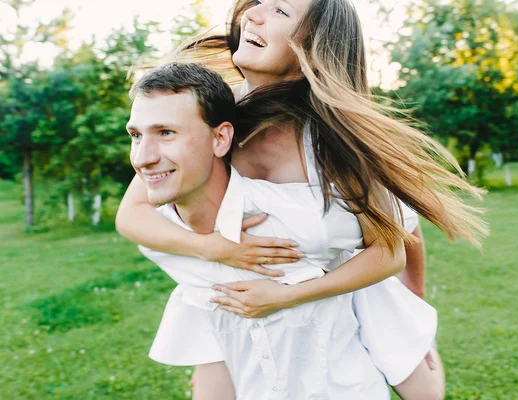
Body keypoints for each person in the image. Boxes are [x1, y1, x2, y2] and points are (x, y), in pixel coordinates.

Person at [118, 0, 487, 397]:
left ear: (314, 43)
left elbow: (398, 239)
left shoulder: (338, 138)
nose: (253, 15)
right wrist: (212, 249)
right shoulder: (209, 118)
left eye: (281, 11)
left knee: (425, 393)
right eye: (258, 4)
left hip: (338, 295)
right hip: (237, 309)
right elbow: (134, 212)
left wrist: (410, 312)